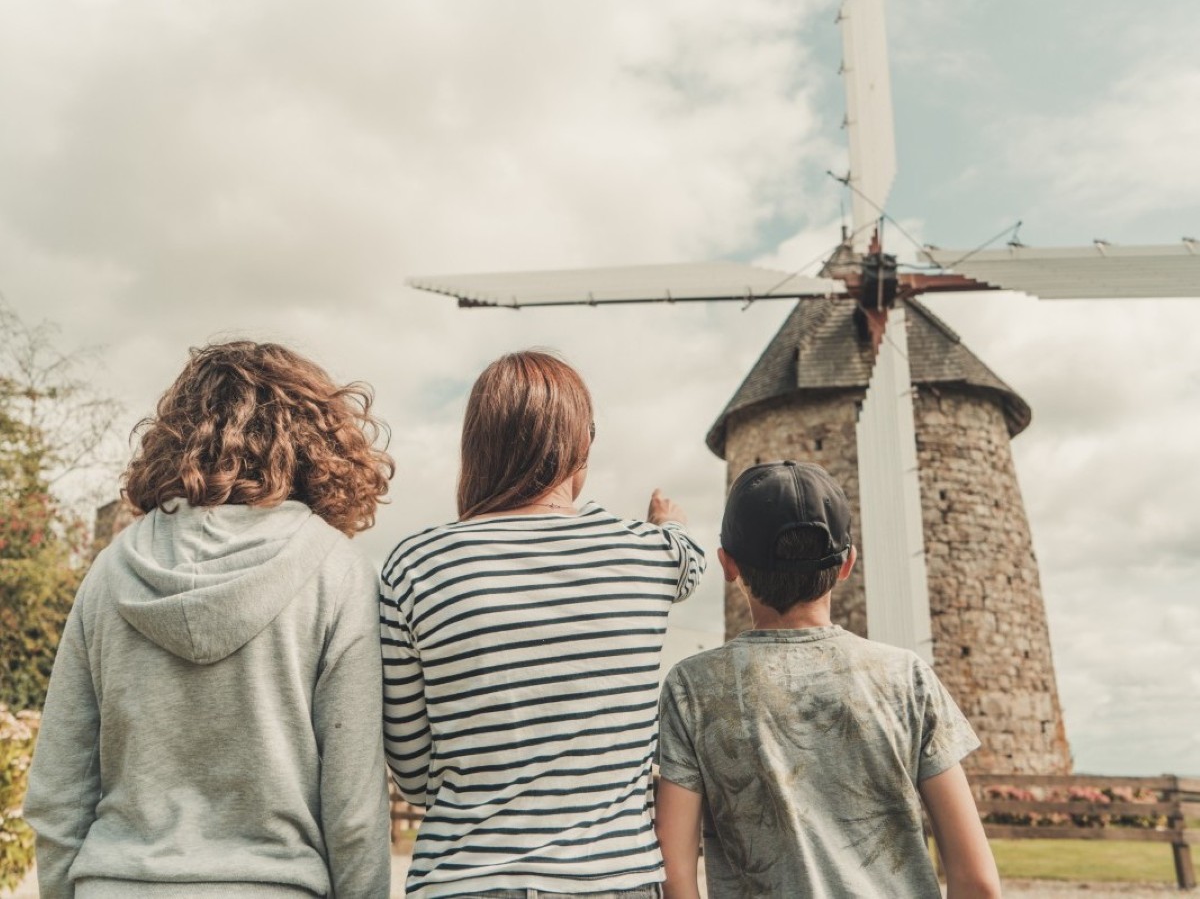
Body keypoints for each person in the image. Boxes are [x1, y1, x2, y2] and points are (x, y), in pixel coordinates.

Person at [25, 340, 396, 899]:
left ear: (178, 438)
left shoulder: (109, 570)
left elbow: (59, 788)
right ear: (315, 444)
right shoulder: (337, 572)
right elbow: (354, 806)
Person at [380, 349, 705, 898]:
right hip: (612, 879)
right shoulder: (649, 554)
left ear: (478, 447)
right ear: (580, 444)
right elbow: (688, 555)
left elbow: (412, 773)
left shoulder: (415, 565)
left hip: (463, 881)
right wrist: (664, 523)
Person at [655, 460, 1001, 899]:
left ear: (728, 564)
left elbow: (674, 872)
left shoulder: (692, 688)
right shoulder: (906, 678)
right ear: (847, 563)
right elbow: (978, 882)